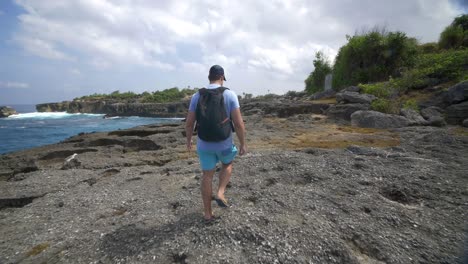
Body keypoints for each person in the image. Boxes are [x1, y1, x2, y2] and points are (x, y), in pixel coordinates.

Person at [185, 65, 247, 222]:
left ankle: (207, 214)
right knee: (227, 164)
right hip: (224, 143)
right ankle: (220, 192)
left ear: (209, 77)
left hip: (204, 144)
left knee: (207, 175)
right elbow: (239, 124)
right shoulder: (230, 95)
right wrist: (242, 143)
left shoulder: (196, 96)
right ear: (221, 78)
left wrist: (188, 140)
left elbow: (189, 123)